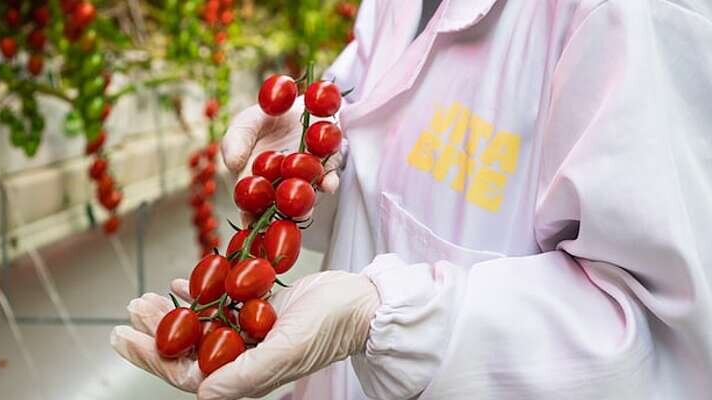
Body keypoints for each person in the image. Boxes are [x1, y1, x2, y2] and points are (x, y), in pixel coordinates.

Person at [111, 0, 712, 399]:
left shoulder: (638, 14)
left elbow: (666, 339)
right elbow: (381, 144)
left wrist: (386, 318)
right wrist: (312, 149)